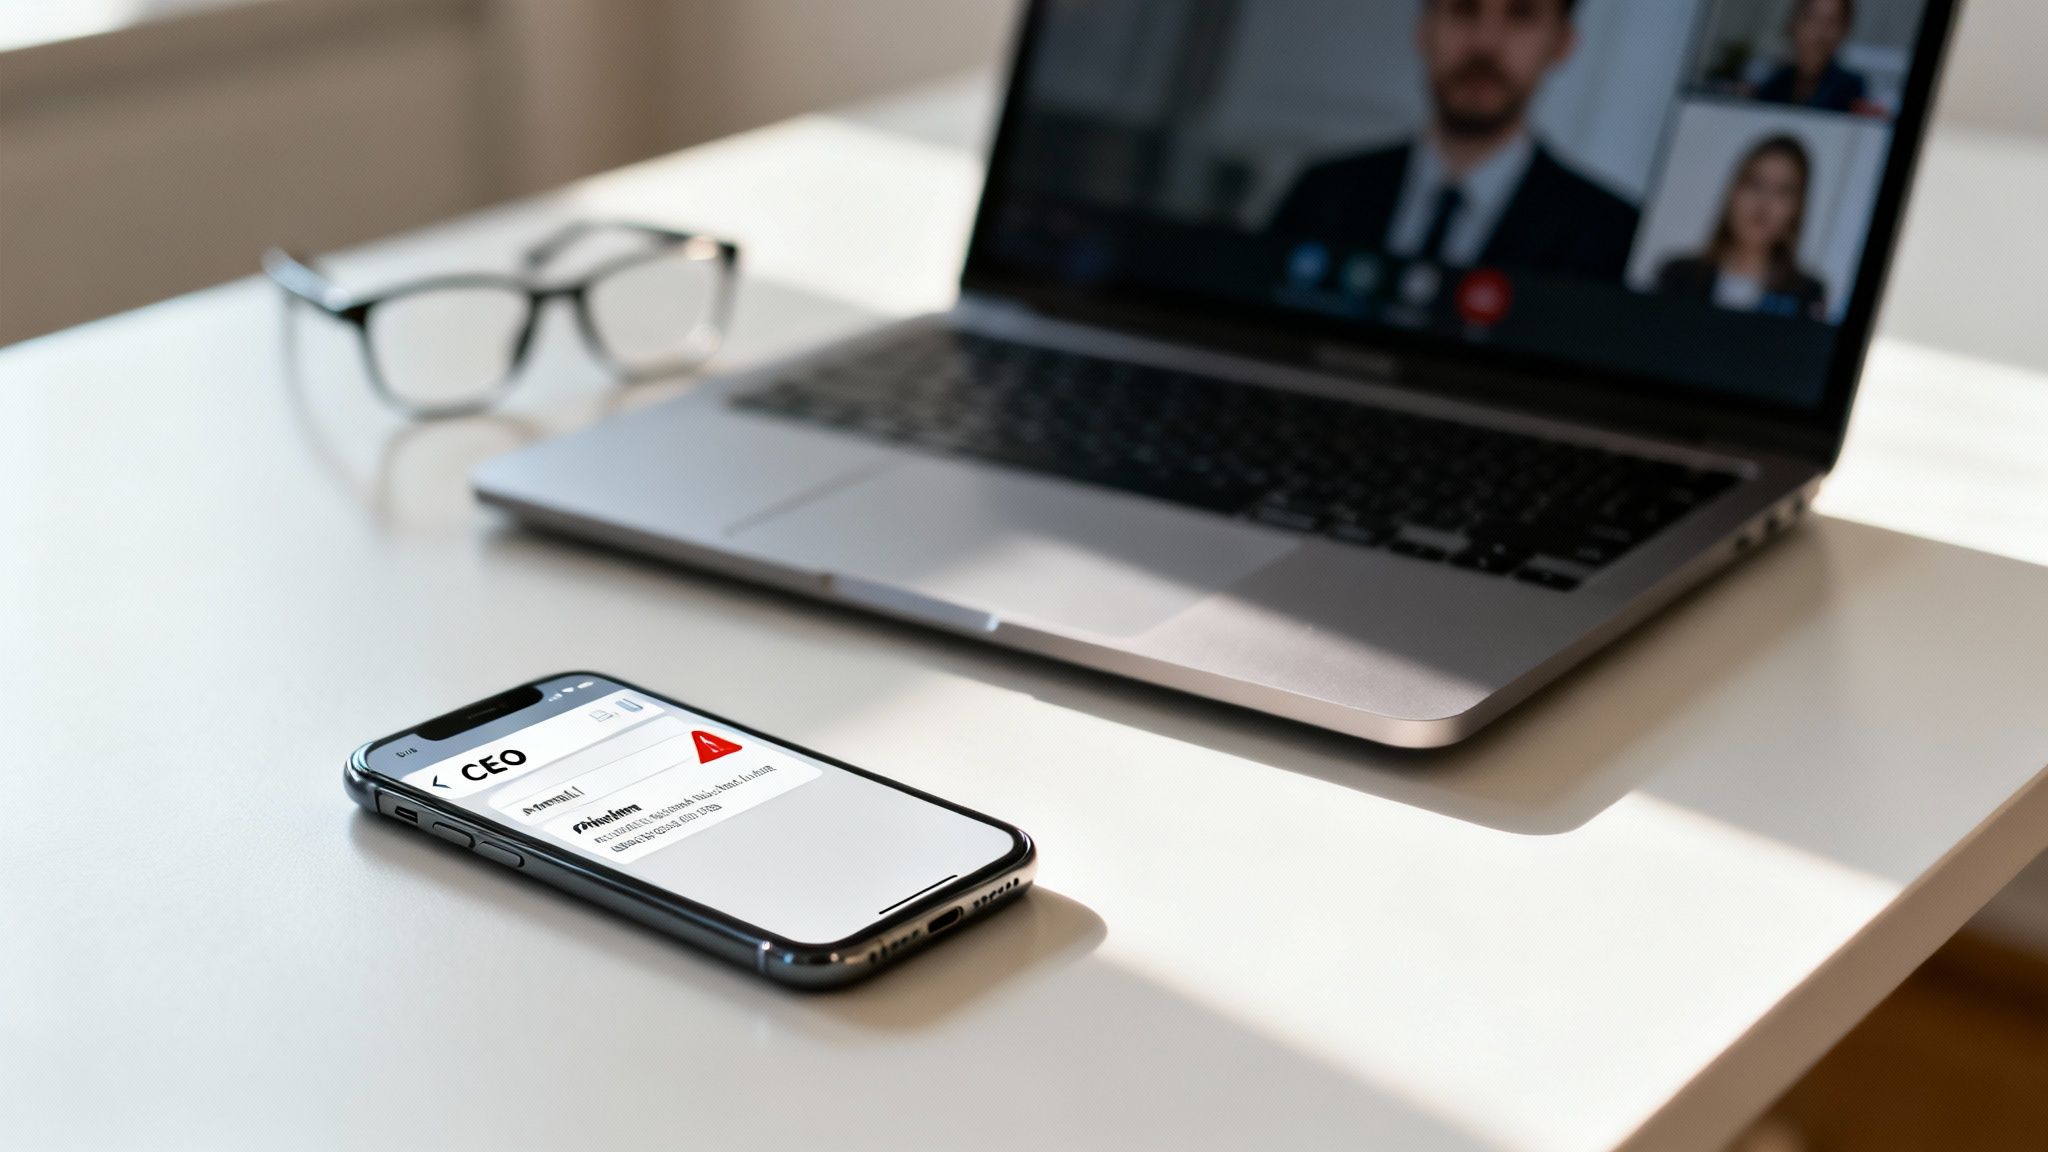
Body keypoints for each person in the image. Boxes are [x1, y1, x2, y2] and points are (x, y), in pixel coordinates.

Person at [1269, 0, 1639, 282]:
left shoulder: (1612, 237)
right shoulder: (1321, 194)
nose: (1484, 44)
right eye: (1464, 9)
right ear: (1425, 28)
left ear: (1561, 44)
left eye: (1520, 14)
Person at [1655, 135, 1828, 320]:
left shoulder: (1805, 295)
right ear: (1733, 192)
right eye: (1755, 184)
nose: (1764, 205)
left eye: (1782, 192)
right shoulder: (1679, 276)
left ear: (1796, 210)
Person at [1751, 0, 1869, 113]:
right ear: (1794, 24)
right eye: (1813, 19)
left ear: (1844, 31)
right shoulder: (1773, 84)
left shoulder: (1850, 90)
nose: (1820, 33)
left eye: (1831, 22)